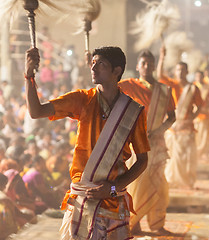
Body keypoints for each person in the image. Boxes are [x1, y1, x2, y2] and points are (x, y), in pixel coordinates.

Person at [24, 46, 150, 239]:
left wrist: (114, 188)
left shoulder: (133, 111)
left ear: (117, 71)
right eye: (93, 63)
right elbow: (36, 112)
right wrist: (29, 77)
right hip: (82, 198)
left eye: (101, 64)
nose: (94, 68)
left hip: (113, 200)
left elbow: (142, 160)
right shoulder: (82, 99)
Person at [119, 50, 176, 235]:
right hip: (136, 142)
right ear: (137, 66)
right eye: (143, 63)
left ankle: (157, 223)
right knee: (137, 183)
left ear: (154, 65)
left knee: (159, 183)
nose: (147, 66)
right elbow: (107, 87)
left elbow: (172, 117)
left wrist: (159, 130)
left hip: (157, 143)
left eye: (150, 63)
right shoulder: (129, 85)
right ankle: (134, 223)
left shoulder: (165, 90)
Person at [157, 46, 203, 189]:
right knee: (172, 157)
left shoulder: (193, 88)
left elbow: (200, 106)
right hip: (172, 128)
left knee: (186, 157)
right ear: (175, 72)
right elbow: (159, 75)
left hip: (187, 128)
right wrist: (162, 57)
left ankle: (185, 182)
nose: (180, 73)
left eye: (183, 70)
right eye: (178, 70)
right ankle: (172, 181)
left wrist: (191, 118)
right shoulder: (172, 84)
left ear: (187, 72)